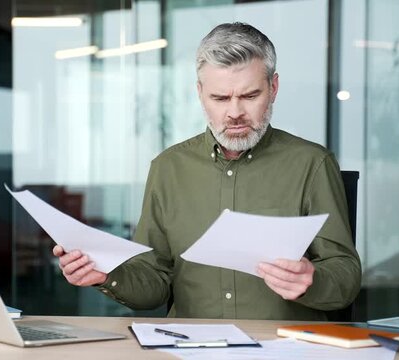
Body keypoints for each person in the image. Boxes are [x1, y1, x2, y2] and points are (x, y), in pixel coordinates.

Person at [53, 22, 361, 320]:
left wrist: (313, 279)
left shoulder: (312, 163)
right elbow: (154, 281)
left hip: (285, 349)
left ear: (273, 87)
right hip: (189, 349)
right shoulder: (168, 169)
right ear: (201, 93)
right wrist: (107, 275)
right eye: (220, 98)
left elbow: (345, 273)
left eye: (250, 95)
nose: (235, 112)